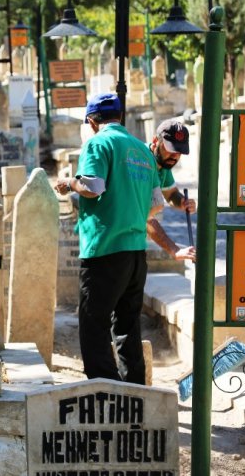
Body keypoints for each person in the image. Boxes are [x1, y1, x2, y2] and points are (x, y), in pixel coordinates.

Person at [54, 92, 163, 385]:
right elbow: (157, 204)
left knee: (94, 322)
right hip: (136, 252)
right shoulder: (142, 150)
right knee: (128, 325)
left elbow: (93, 187)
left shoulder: (98, 143)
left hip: (104, 249)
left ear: (92, 121)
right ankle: (135, 392)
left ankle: (106, 388)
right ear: (119, 117)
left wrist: (70, 184)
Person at [144, 119, 197, 263]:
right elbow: (143, 216)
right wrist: (175, 250)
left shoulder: (162, 163)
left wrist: (182, 202)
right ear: (156, 141)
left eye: (179, 152)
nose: (175, 157)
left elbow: (171, 193)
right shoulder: (142, 163)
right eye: (171, 149)